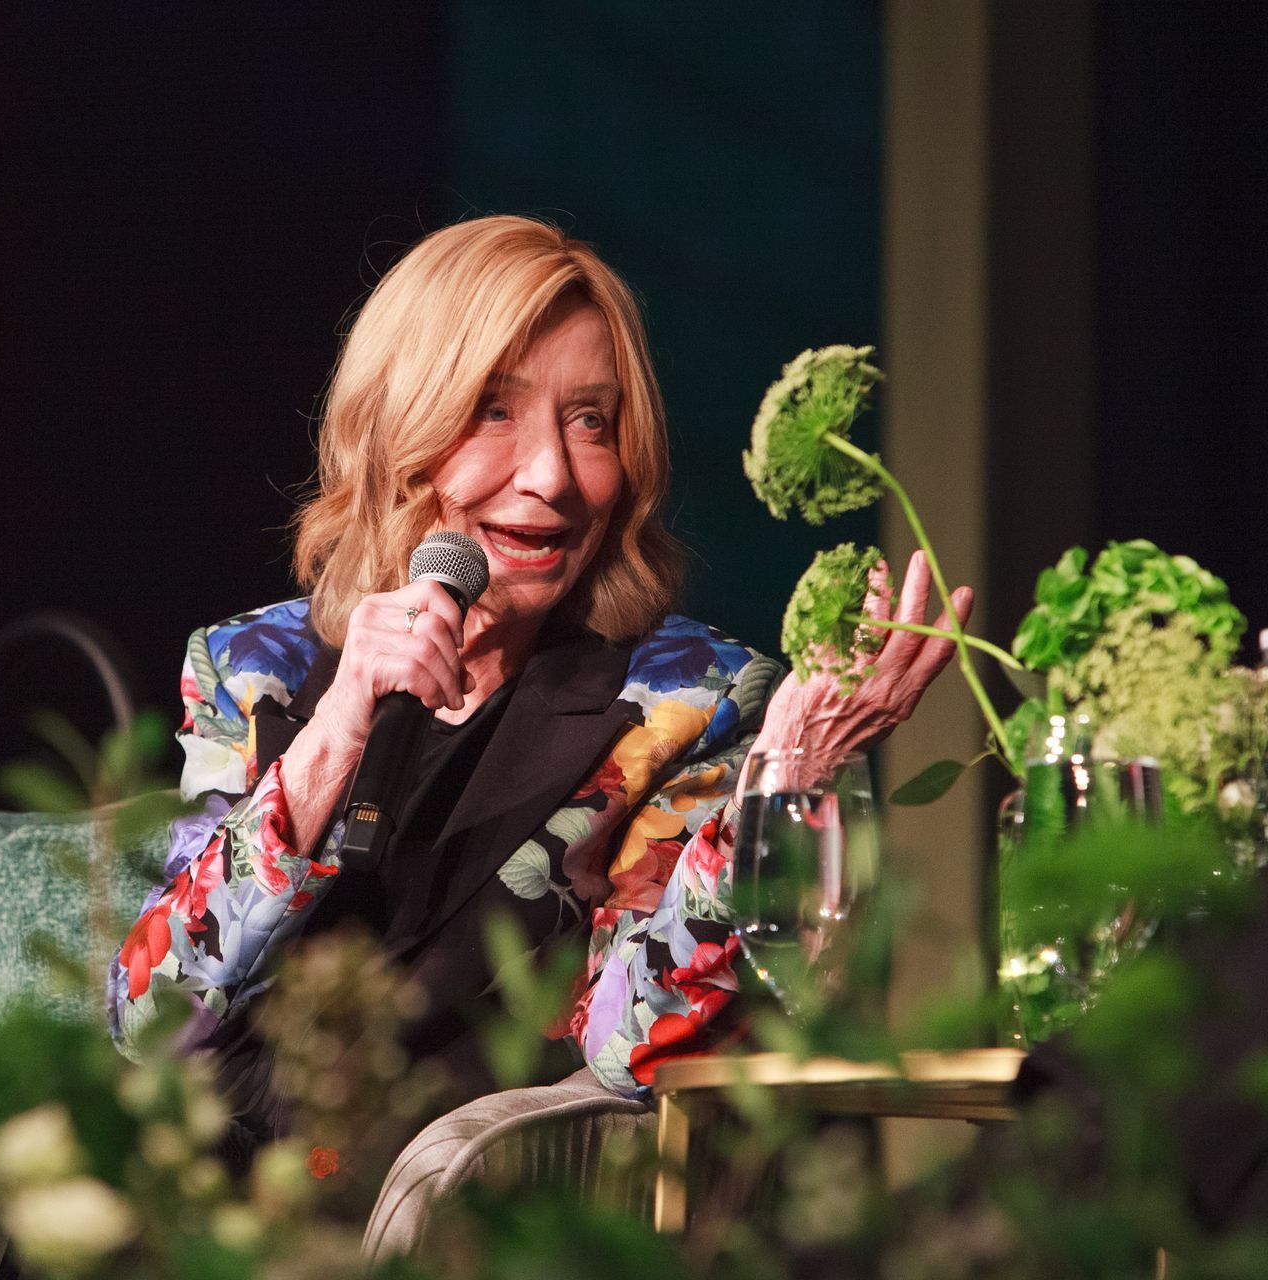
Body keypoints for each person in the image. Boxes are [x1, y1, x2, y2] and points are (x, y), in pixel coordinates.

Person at [105, 215, 971, 1163]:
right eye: (494, 411)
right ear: (398, 433)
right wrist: (335, 735)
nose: (554, 476)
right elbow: (149, 1019)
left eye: (590, 421)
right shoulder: (249, 665)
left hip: (458, 1208)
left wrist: (785, 779)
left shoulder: (687, 699)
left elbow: (638, 1044)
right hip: (199, 1198)